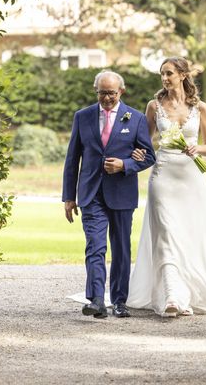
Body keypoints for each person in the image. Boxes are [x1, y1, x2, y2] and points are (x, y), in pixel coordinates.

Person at [127, 57, 206, 317]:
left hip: (191, 177)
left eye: (169, 73)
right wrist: (135, 156)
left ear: (183, 75)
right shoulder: (154, 106)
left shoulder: (201, 108)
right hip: (163, 176)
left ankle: (185, 290)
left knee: (186, 234)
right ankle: (172, 296)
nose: (164, 78)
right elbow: (145, 142)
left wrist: (198, 148)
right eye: (162, 74)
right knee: (165, 233)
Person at [62, 70, 156, 319]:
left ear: (121, 92)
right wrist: (69, 197)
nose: (107, 98)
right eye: (102, 93)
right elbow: (73, 159)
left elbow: (148, 156)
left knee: (121, 249)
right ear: (96, 92)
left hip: (122, 193)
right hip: (91, 193)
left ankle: (119, 300)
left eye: (111, 93)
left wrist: (125, 165)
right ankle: (95, 300)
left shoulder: (135, 118)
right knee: (95, 246)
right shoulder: (82, 117)